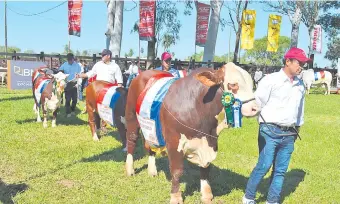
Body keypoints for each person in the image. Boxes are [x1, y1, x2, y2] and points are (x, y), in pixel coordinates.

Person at [242, 47, 308, 204]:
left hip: (289, 134)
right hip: (269, 131)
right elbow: (257, 102)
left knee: (280, 171)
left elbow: (300, 110)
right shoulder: (270, 80)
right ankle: (249, 197)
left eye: (304, 64)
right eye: (300, 63)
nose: (302, 67)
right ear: (288, 61)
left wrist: (297, 127)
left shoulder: (300, 85)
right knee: (264, 166)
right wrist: (246, 110)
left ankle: (272, 200)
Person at [59, 53, 82, 118]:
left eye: (71, 59)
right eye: (69, 60)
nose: (70, 61)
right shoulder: (64, 65)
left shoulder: (77, 65)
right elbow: (60, 71)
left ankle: (72, 110)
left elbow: (80, 74)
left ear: (73, 59)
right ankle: (68, 112)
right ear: (67, 59)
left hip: (75, 83)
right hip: (67, 83)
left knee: (74, 99)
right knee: (68, 99)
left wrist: (78, 83)